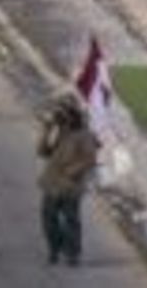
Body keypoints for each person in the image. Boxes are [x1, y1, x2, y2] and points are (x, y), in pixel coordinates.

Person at [38, 91, 102, 266]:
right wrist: (47, 130)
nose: (62, 114)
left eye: (65, 110)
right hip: (51, 183)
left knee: (71, 219)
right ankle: (55, 247)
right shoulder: (58, 130)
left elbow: (90, 158)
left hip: (71, 185)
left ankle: (73, 253)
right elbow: (42, 151)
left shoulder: (83, 134)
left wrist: (72, 172)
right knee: (48, 218)